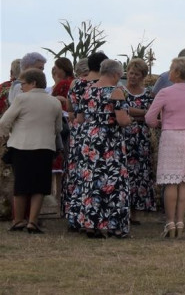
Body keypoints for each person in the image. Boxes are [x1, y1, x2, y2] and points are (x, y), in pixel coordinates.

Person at [146, 57, 185, 238]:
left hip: (171, 136)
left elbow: (149, 118)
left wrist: (160, 122)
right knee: (184, 181)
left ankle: (170, 222)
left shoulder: (165, 92)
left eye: (171, 69)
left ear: (177, 72)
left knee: (171, 181)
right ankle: (180, 221)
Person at [0, 67, 63, 233]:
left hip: (21, 147)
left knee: (21, 185)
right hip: (45, 147)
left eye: (24, 83)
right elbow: (58, 128)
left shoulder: (21, 99)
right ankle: (33, 221)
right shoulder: (55, 102)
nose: (21, 87)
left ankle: (18, 220)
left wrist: (9, 135)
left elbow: (4, 121)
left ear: (33, 83)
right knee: (39, 186)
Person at [76, 58, 132, 238]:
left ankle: (90, 224)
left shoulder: (87, 90)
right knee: (113, 182)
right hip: (109, 141)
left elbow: (80, 119)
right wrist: (132, 119)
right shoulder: (116, 91)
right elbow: (122, 120)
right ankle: (113, 225)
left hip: (90, 138)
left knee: (91, 180)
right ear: (116, 74)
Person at [63, 51, 105, 228]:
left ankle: (72, 213)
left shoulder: (77, 83)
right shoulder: (106, 85)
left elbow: (69, 106)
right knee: (95, 173)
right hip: (98, 133)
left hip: (79, 131)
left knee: (76, 172)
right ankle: (94, 212)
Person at [123, 58, 157, 222]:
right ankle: (123, 210)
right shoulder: (120, 91)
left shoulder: (149, 93)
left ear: (142, 76)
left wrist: (135, 113)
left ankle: (135, 213)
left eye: (137, 74)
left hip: (142, 139)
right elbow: (123, 110)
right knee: (125, 172)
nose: (133, 77)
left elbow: (152, 114)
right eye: (131, 73)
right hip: (124, 137)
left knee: (140, 174)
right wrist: (142, 112)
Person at [49, 57, 74, 195]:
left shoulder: (63, 84)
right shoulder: (75, 82)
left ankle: (57, 193)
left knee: (60, 155)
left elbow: (51, 103)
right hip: (74, 122)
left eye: (56, 68)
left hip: (62, 122)